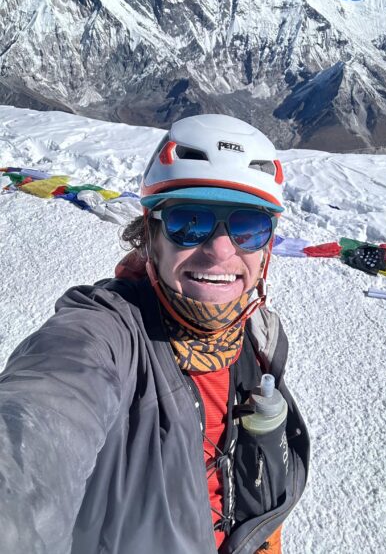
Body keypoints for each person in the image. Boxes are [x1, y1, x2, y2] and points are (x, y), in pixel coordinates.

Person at [0, 114, 309, 554]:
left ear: (267, 249)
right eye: (190, 220)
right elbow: (44, 411)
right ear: (151, 236)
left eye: (247, 226)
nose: (221, 249)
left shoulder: (258, 340)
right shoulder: (108, 331)